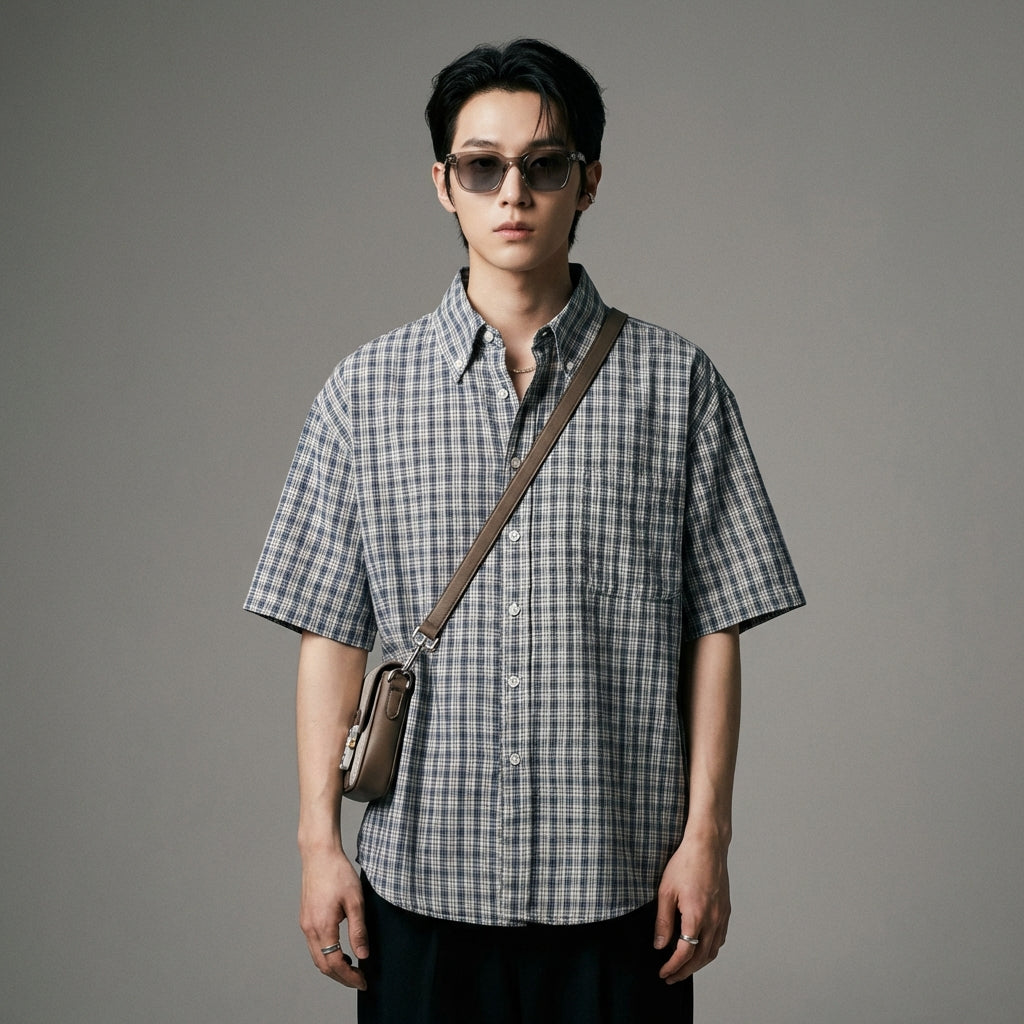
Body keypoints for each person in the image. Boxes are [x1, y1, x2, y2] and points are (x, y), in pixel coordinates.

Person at [245, 38, 804, 1023]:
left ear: (588, 181)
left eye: (544, 165)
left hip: (622, 890)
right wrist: (318, 843)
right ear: (443, 184)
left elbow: (714, 629)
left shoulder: (677, 387)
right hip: (419, 890)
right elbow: (329, 632)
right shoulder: (362, 395)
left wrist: (707, 838)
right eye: (482, 166)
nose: (513, 192)